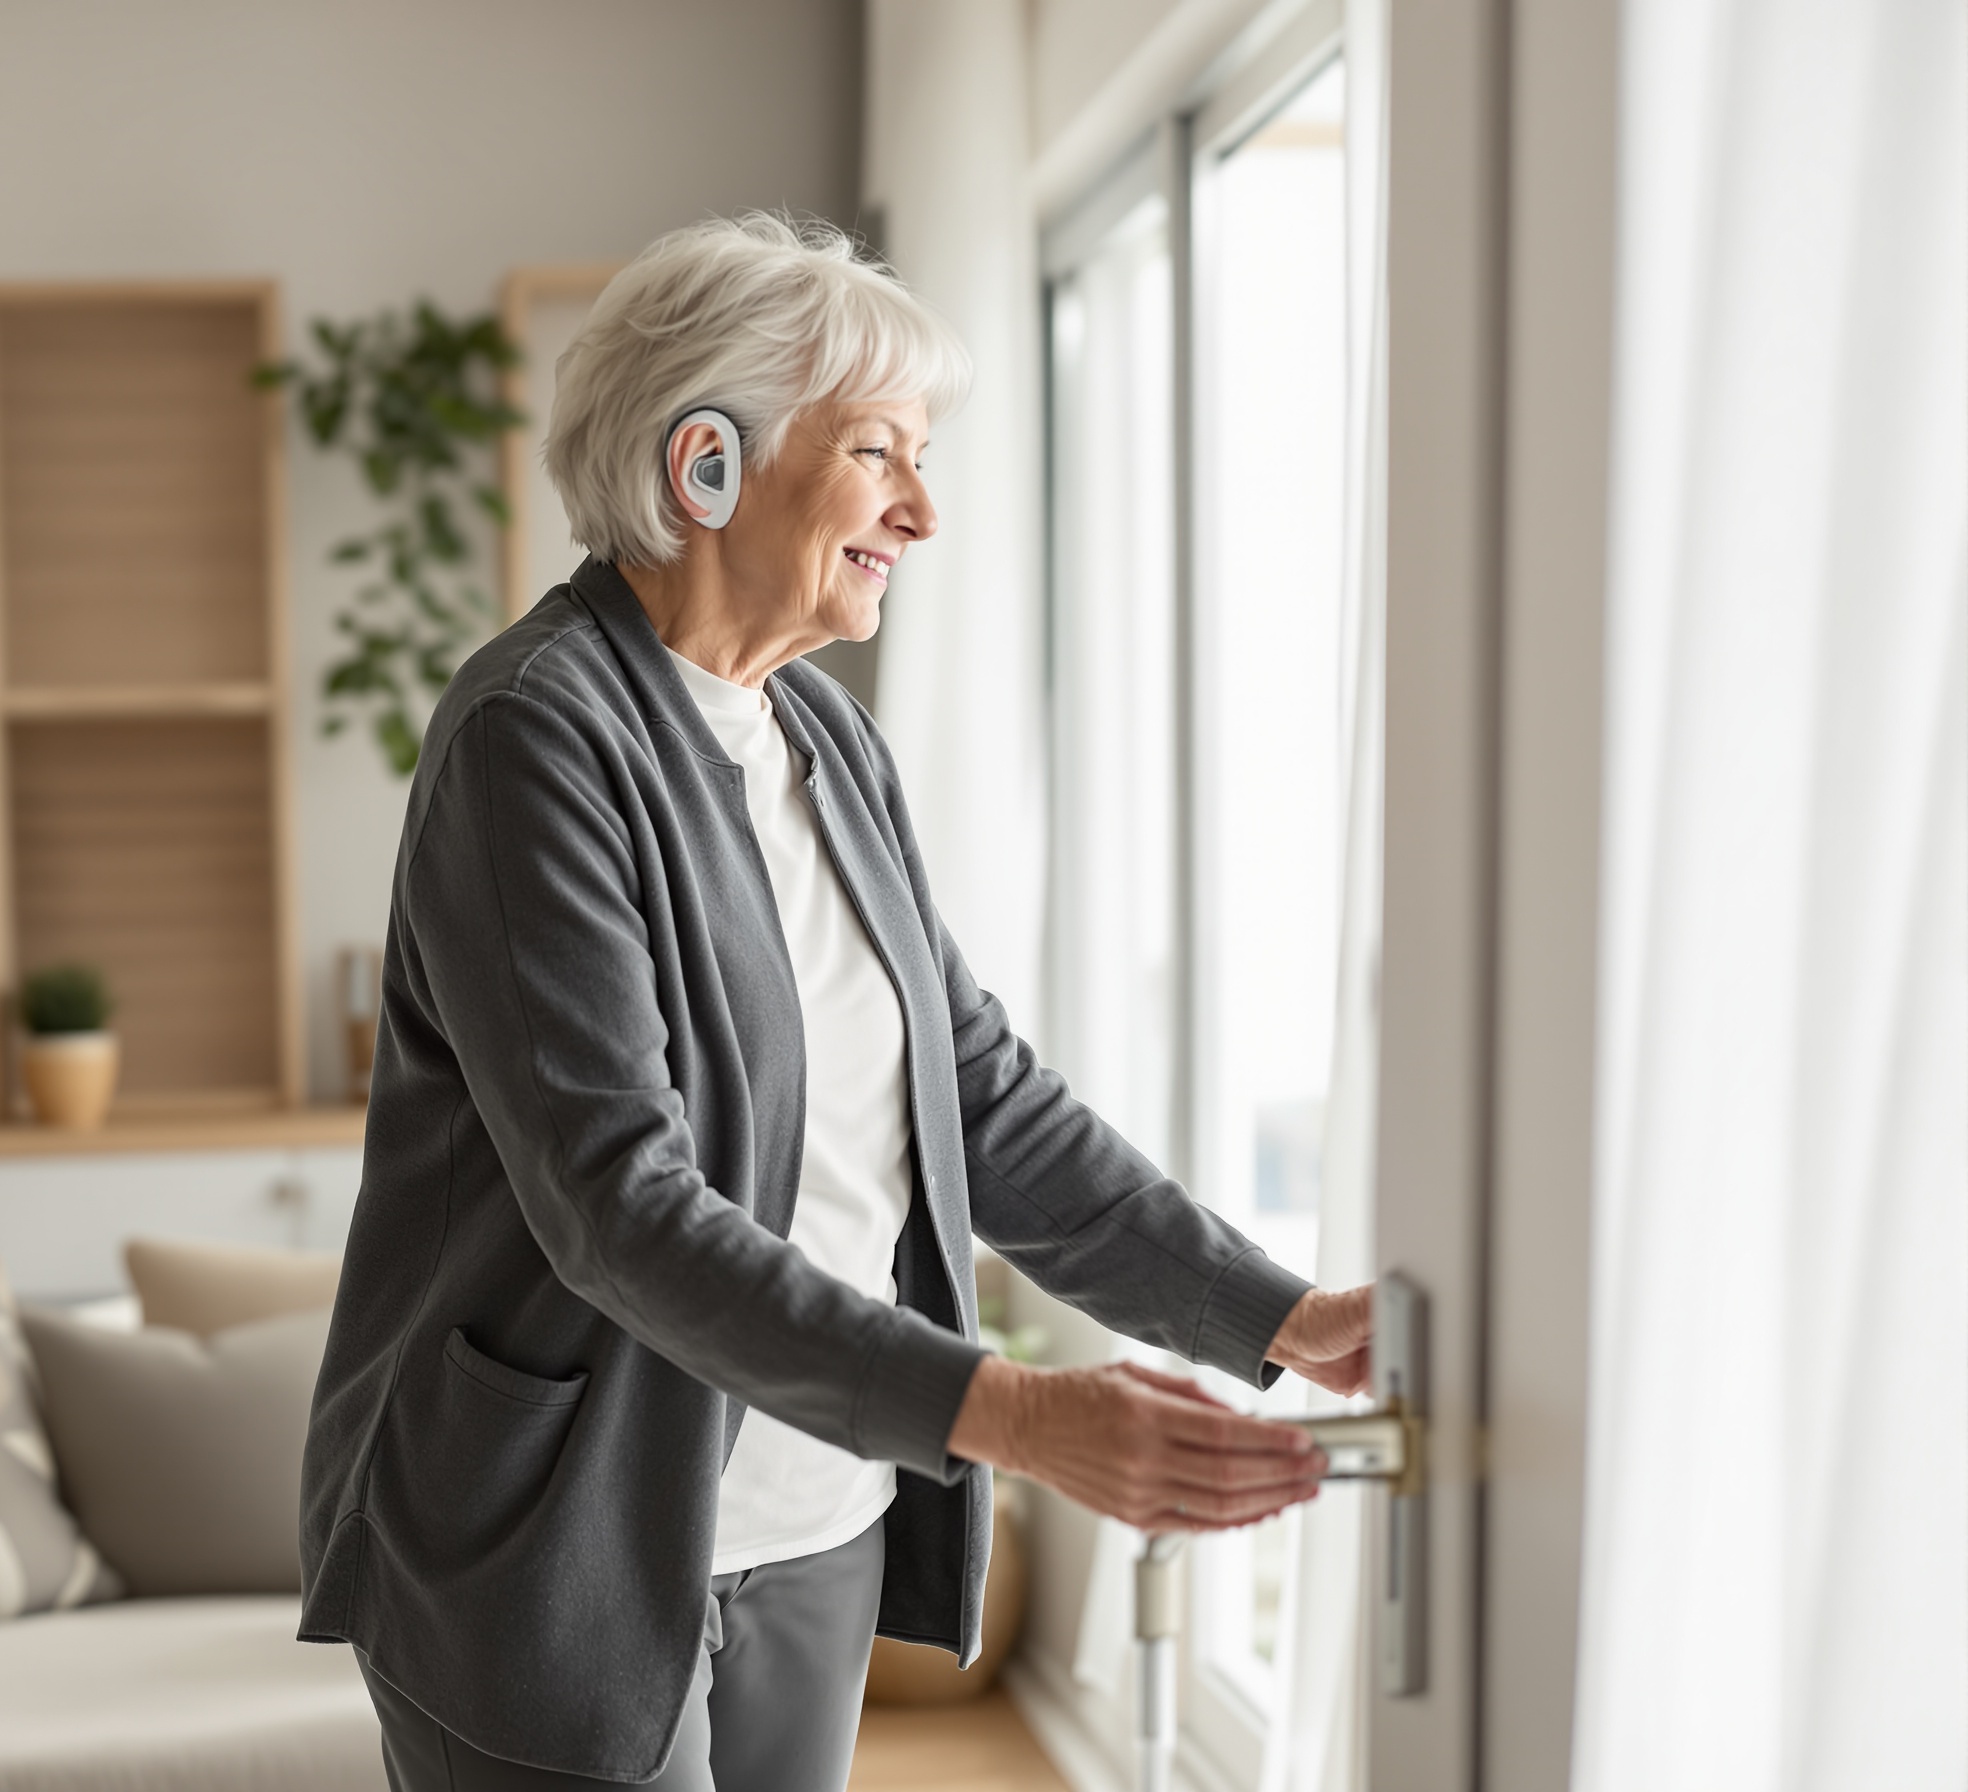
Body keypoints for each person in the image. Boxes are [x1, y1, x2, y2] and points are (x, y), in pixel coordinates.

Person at [299, 214, 1374, 1792]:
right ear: (705, 468)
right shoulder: (533, 741)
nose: (921, 511)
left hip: (819, 1515)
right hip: (559, 1538)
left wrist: (1277, 1318)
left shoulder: (821, 735)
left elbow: (977, 1095)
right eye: (879, 452)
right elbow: (618, 1206)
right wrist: (1008, 1411)